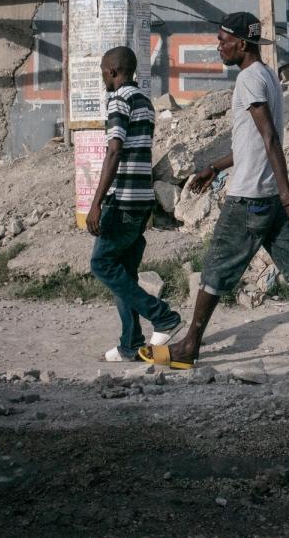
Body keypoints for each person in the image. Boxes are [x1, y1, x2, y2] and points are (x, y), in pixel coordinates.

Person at [141, 12, 289, 371]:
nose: (219, 47)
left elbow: (269, 138)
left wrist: (288, 196)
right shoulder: (265, 74)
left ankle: (189, 346)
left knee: (215, 270)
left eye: (223, 40)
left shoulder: (249, 80)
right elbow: (253, 141)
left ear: (242, 44)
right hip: (267, 196)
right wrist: (215, 166)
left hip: (251, 197)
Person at [87, 46, 182, 361]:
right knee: (124, 272)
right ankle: (130, 343)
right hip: (142, 200)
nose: (103, 77)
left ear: (113, 71)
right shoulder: (144, 101)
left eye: (103, 71)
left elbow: (114, 151)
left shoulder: (119, 100)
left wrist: (96, 202)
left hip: (123, 199)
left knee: (101, 264)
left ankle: (163, 315)